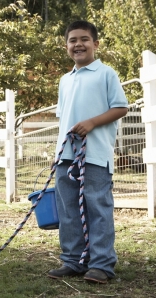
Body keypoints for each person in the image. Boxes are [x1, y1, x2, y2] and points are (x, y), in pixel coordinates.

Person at [47, 20, 128, 284]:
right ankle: (73, 260)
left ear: (95, 44)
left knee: (97, 207)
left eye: (84, 39)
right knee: (68, 208)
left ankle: (102, 264)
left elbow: (120, 108)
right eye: (72, 40)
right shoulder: (65, 80)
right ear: (66, 46)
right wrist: (58, 151)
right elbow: (64, 119)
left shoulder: (106, 74)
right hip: (66, 155)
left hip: (94, 154)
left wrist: (92, 122)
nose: (78, 44)